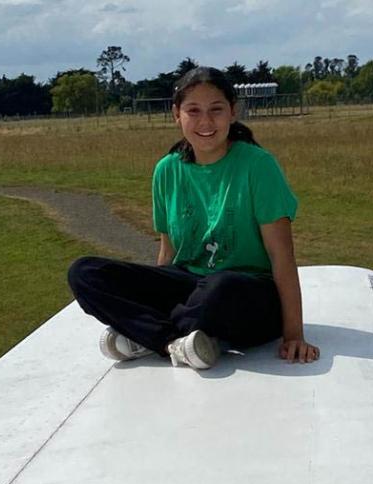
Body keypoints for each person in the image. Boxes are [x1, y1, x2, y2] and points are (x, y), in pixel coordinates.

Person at [68, 66, 319, 370]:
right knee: (85, 273)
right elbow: (168, 252)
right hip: (191, 285)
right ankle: (173, 341)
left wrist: (294, 334)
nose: (205, 121)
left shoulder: (258, 166)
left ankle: (147, 337)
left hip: (248, 294)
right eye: (193, 110)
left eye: (216, 110)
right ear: (177, 114)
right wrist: (155, 290)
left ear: (233, 112)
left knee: (220, 288)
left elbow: (282, 256)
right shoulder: (167, 170)